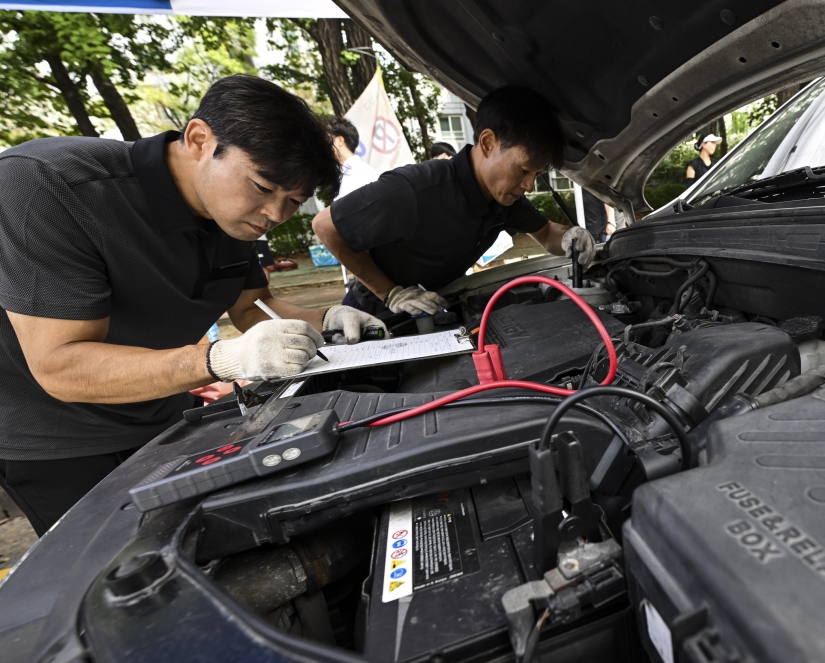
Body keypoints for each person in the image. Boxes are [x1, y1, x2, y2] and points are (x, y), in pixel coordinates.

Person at [0, 74, 387, 536]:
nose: (275, 215)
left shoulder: (232, 215)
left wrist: (330, 318)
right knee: (120, 566)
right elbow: (60, 366)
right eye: (263, 187)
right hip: (61, 439)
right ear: (200, 140)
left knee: (225, 538)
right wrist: (222, 360)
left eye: (293, 202)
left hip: (164, 413)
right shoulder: (48, 185)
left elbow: (254, 308)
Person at [312, 86, 595, 318]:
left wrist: (569, 237)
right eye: (523, 170)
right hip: (371, 313)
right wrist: (391, 293)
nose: (529, 186)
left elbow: (546, 233)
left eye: (537, 175)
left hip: (432, 309)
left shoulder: (504, 201)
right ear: (488, 143)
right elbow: (325, 226)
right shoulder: (416, 188)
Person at [325, 116, 380, 200]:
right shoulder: (345, 173)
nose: (322, 146)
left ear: (339, 140)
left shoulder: (361, 174)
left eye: (325, 139)